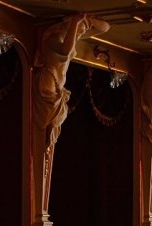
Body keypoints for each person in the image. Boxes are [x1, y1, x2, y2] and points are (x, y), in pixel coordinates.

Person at [33, 14, 110, 151]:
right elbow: (66, 50)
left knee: (51, 131)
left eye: (82, 31)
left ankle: (43, 158)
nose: (80, 33)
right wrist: (75, 21)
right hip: (49, 81)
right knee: (44, 128)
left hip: (58, 86)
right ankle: (39, 158)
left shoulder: (71, 38)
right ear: (68, 27)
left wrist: (88, 20)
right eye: (79, 30)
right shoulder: (52, 38)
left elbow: (106, 27)